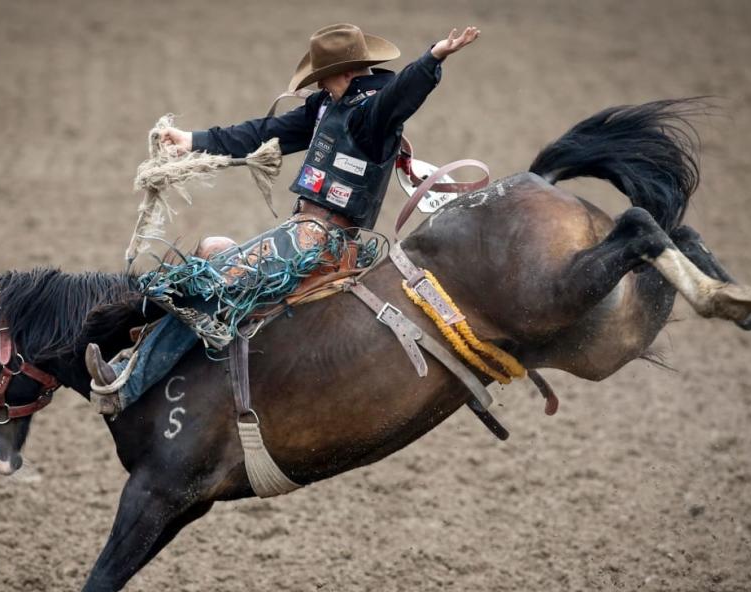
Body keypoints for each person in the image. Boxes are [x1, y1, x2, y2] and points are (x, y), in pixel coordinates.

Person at [86, 23, 480, 414]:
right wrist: (192, 140)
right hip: (300, 233)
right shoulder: (326, 106)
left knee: (213, 283)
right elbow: (266, 132)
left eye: (322, 79)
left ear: (342, 74)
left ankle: (125, 381)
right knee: (211, 250)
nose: (318, 87)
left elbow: (401, 93)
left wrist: (433, 58)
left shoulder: (372, 115)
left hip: (324, 241)